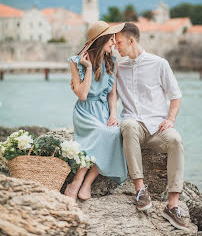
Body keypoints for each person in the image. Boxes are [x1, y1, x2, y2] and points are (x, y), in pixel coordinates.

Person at [115, 22, 186, 230]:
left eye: (119, 42)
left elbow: (176, 95)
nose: (116, 46)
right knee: (127, 124)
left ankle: (172, 205)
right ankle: (140, 190)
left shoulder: (159, 64)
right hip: (134, 125)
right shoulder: (120, 68)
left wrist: (170, 119)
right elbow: (109, 96)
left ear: (131, 40)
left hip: (157, 127)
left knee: (176, 140)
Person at [65, 21, 127, 201]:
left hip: (104, 110)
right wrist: (89, 68)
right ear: (101, 41)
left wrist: (113, 115)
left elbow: (112, 94)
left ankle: (86, 183)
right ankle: (76, 181)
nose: (114, 43)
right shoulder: (75, 62)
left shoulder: (113, 62)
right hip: (85, 112)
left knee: (115, 133)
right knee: (101, 133)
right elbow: (83, 95)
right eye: (111, 40)